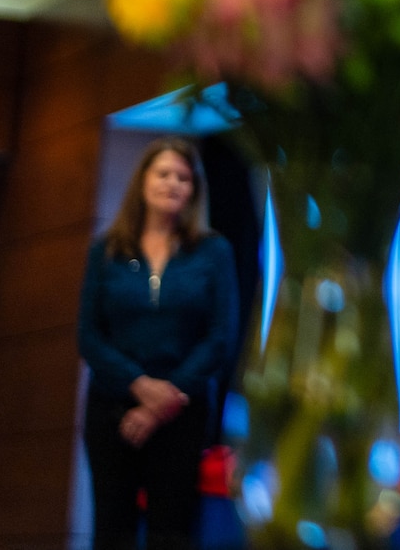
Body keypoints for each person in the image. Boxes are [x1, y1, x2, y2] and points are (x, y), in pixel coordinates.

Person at [78, 136, 238, 549]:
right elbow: (89, 337)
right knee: (112, 532)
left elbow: (220, 337)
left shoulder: (212, 251)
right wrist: (139, 386)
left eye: (183, 177)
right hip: (112, 410)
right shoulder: (107, 251)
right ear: (143, 182)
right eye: (163, 173)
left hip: (182, 413)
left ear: (194, 190)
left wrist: (165, 399)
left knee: (173, 534)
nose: (173, 183)